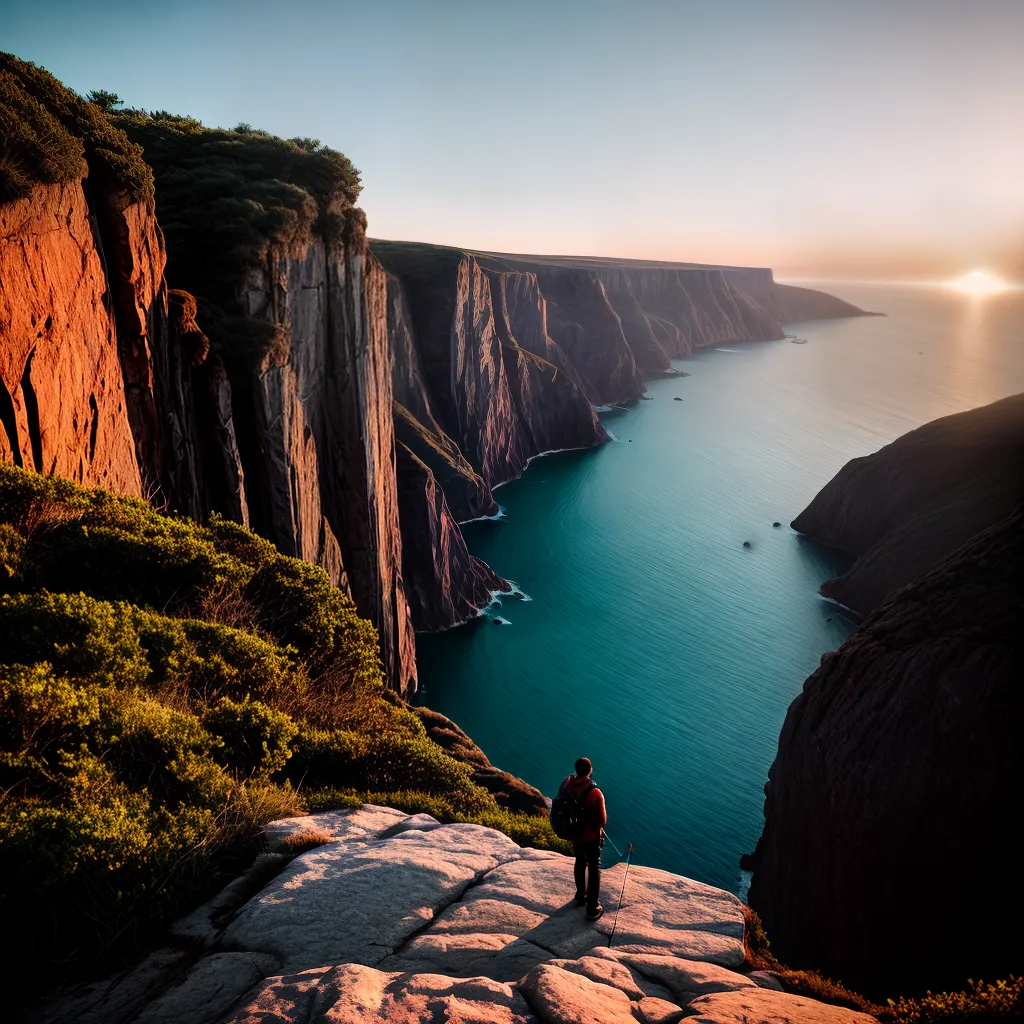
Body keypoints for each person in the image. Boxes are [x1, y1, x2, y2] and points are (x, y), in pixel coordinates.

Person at [561, 756, 607, 920]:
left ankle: (581, 895)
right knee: (594, 868)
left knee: (580, 862)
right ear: (590, 770)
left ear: (576, 769)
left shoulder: (568, 785)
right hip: (590, 836)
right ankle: (592, 908)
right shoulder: (594, 792)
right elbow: (602, 820)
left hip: (574, 833)